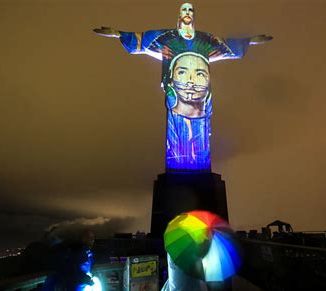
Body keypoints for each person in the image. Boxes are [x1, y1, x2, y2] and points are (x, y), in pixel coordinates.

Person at [93, 2, 272, 172]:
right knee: (178, 139)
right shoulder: (166, 39)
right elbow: (141, 40)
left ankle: (199, 167)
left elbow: (227, 45)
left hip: (201, 104)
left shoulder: (205, 39)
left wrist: (250, 40)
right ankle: (180, 165)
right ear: (179, 15)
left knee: (200, 140)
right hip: (177, 103)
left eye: (190, 10)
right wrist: (118, 34)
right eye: (184, 9)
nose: (187, 12)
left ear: (194, 15)